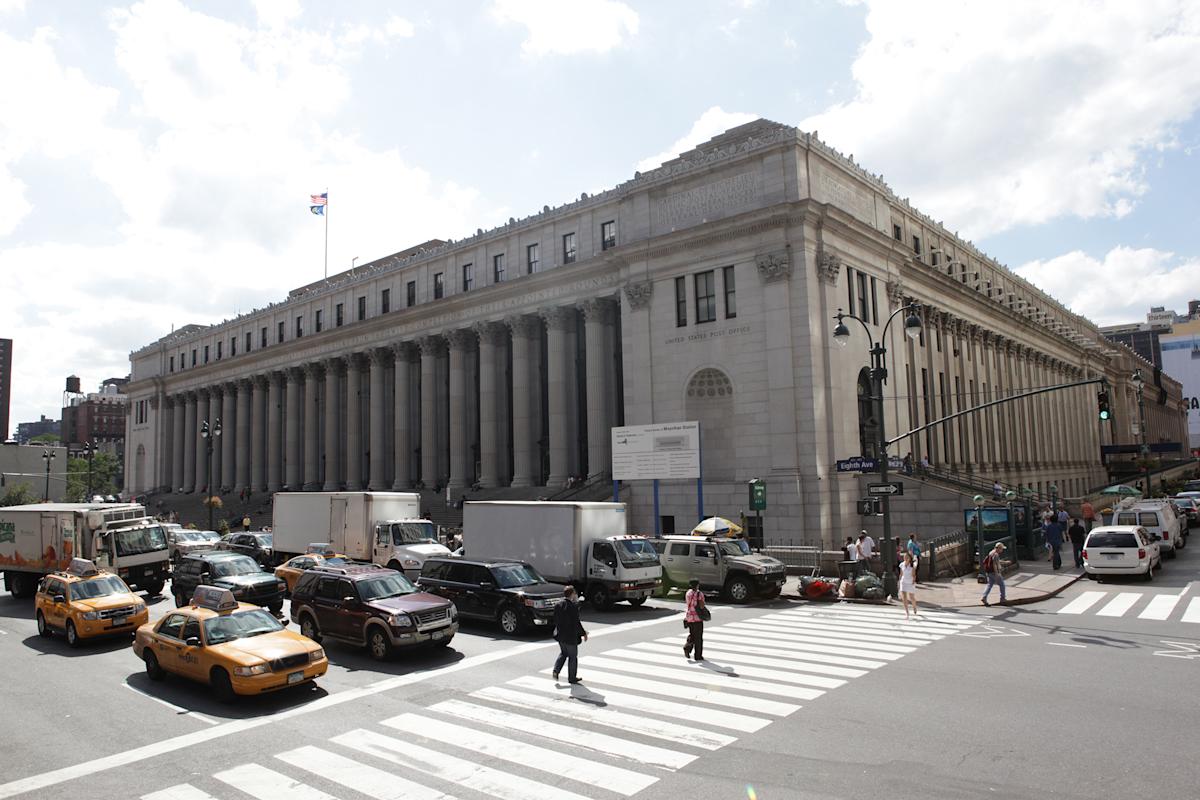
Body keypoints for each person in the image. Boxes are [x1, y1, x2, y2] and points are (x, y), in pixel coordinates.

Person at [552, 586, 588, 684]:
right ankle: (572, 678)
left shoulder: (558, 605)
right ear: (572, 594)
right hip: (570, 636)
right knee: (572, 656)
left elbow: (555, 619)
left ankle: (556, 670)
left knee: (563, 653)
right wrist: (583, 633)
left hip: (560, 635)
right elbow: (576, 622)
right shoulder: (573, 607)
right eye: (574, 593)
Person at [683, 578, 706, 661]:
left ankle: (687, 647)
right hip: (697, 618)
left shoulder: (688, 593)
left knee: (692, 634)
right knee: (698, 637)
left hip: (689, 617)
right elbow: (701, 606)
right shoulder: (699, 594)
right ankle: (698, 655)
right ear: (697, 585)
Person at [980, 542, 1007, 606]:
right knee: (1002, 585)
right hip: (994, 572)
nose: (1002, 550)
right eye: (1002, 549)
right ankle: (1002, 598)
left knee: (989, 585)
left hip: (989, 572)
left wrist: (1005, 562)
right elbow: (995, 564)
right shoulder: (996, 555)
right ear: (999, 548)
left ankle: (984, 597)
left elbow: (995, 561)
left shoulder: (991, 552)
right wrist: (997, 573)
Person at [898, 552, 918, 618]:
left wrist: (913, 581)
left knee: (911, 597)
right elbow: (901, 574)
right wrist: (899, 581)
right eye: (904, 557)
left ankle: (914, 607)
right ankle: (907, 612)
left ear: (910, 559)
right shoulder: (901, 564)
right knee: (904, 598)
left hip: (910, 582)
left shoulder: (912, 566)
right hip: (903, 582)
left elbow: (914, 575)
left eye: (907, 557)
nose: (905, 558)